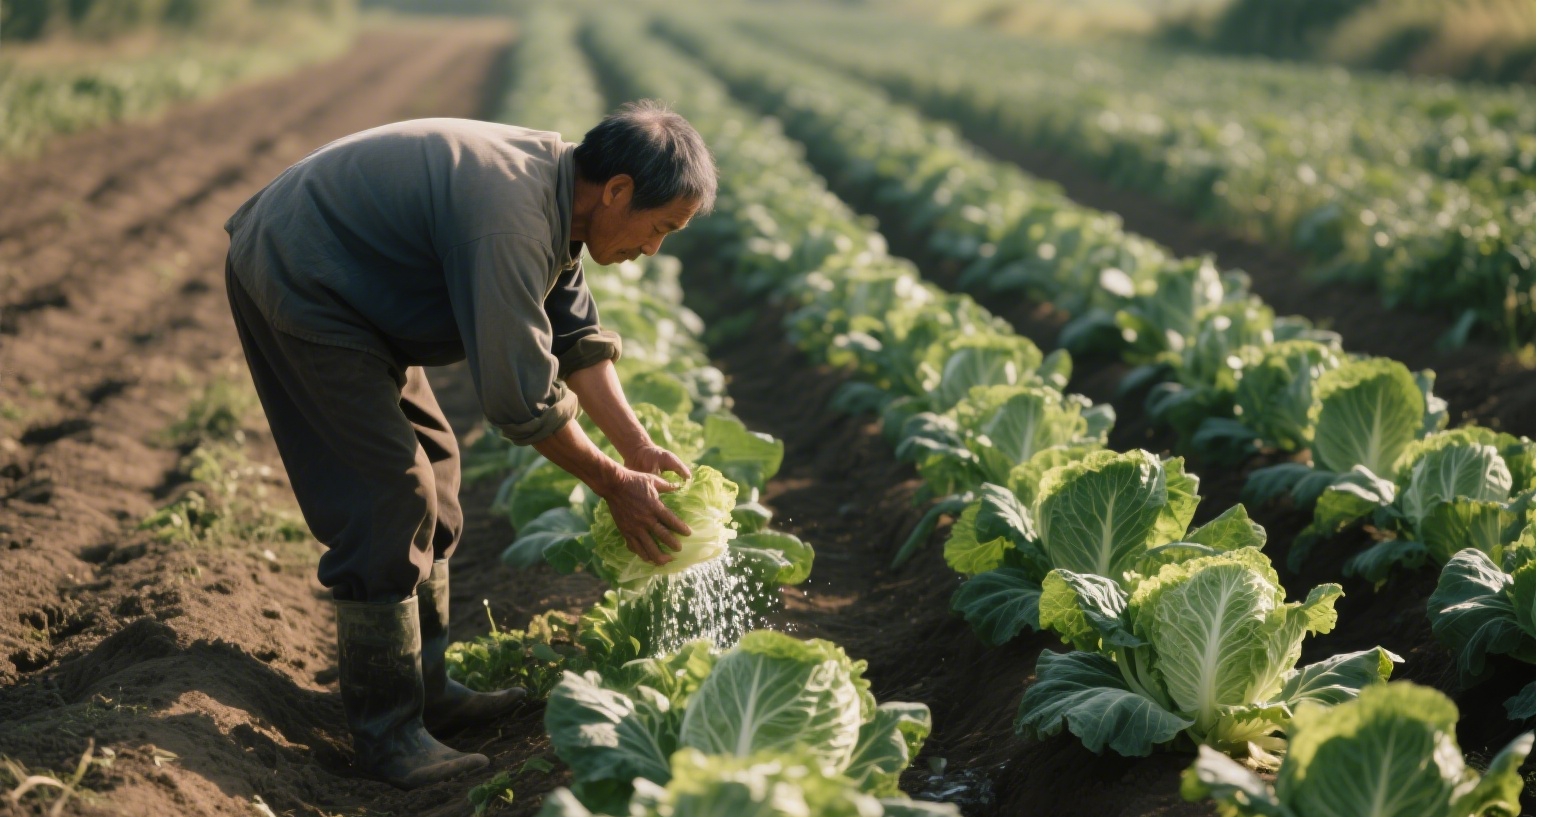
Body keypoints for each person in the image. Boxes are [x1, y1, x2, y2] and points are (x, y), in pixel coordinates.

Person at [221, 101, 716, 789]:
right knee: (390, 493)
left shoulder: (560, 196)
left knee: (439, 472)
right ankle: (387, 733)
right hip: (304, 274)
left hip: (359, 288)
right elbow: (519, 398)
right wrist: (610, 483)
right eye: (659, 227)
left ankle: (430, 694)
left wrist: (635, 446)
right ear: (619, 191)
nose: (653, 247)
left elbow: (572, 336)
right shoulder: (510, 215)